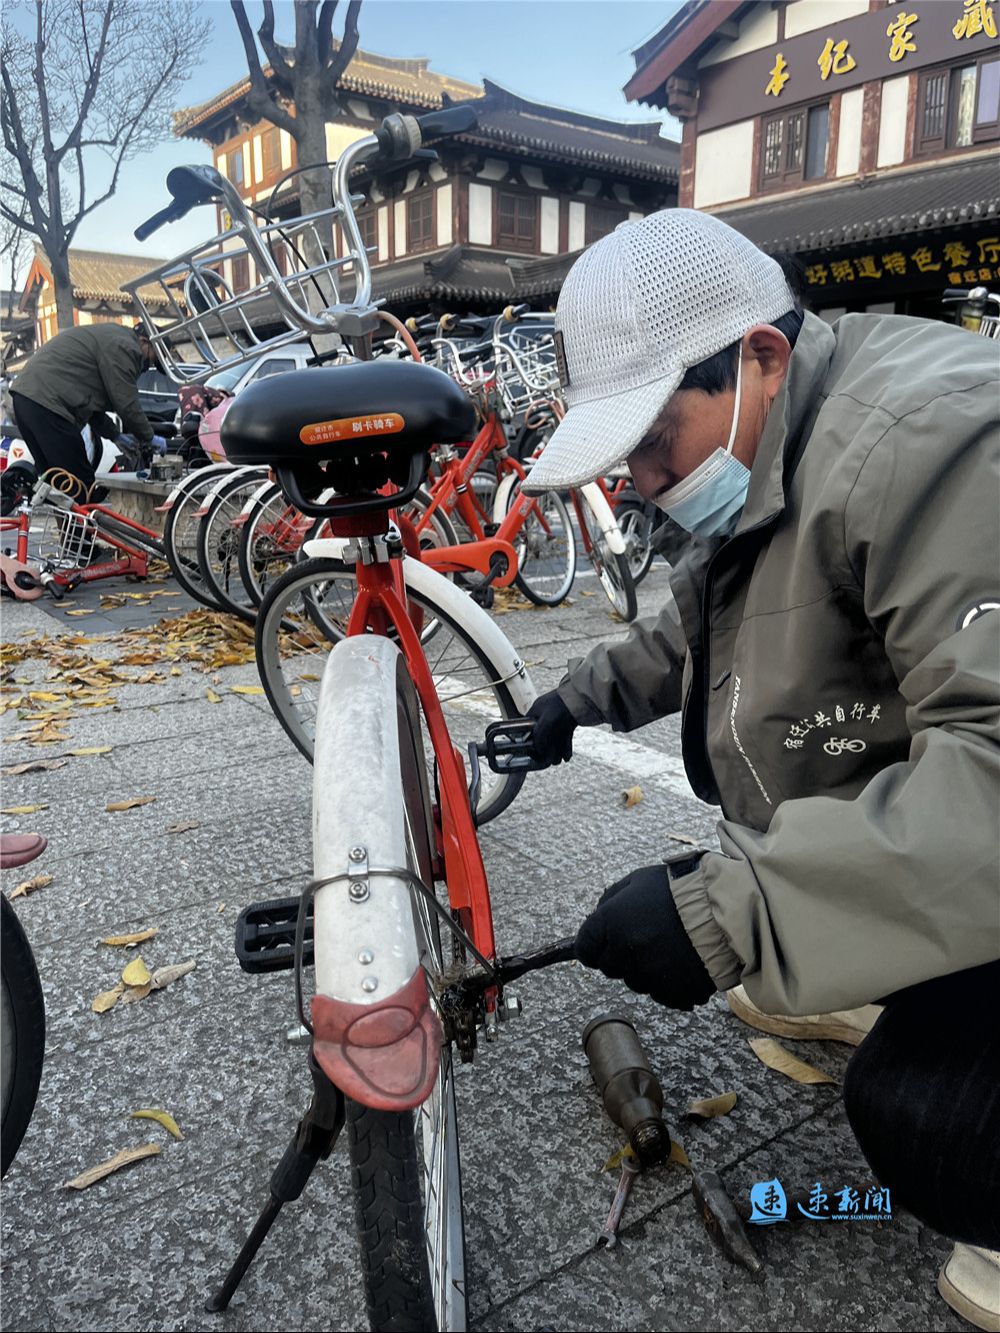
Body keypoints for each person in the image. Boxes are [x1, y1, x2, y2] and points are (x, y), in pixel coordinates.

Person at [523, 209, 1000, 1330]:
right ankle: (894, 974)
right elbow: (707, 623)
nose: (644, 479)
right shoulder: (776, 437)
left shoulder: (941, 443)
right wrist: (570, 702)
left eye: (654, 438)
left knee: (930, 1116)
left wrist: (732, 907)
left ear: (762, 356)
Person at [10, 322, 166, 499]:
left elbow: (91, 407)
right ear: (144, 341)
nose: (146, 367)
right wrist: (149, 437)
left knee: (55, 486)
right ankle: (81, 517)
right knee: (80, 486)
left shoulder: (110, 337)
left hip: (26, 399)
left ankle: (58, 518)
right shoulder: (126, 347)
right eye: (151, 360)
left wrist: (115, 435)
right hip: (48, 404)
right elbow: (127, 403)